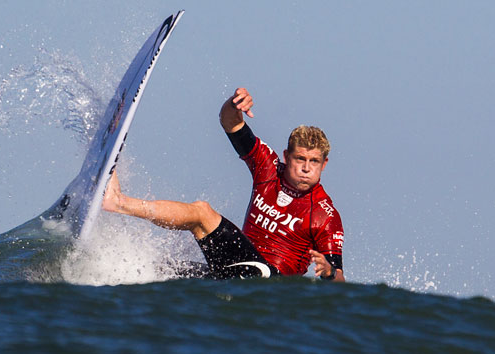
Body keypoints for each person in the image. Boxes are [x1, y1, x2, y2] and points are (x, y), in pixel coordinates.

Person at [101, 87, 345, 281]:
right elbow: (230, 123)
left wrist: (330, 272)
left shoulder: (325, 215)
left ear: (323, 165)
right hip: (240, 269)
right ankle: (104, 266)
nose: (306, 168)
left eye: (314, 162)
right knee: (163, 271)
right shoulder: (268, 168)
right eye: (300, 159)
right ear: (286, 156)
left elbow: (340, 282)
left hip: (271, 283)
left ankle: (118, 202)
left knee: (202, 213)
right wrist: (234, 104)